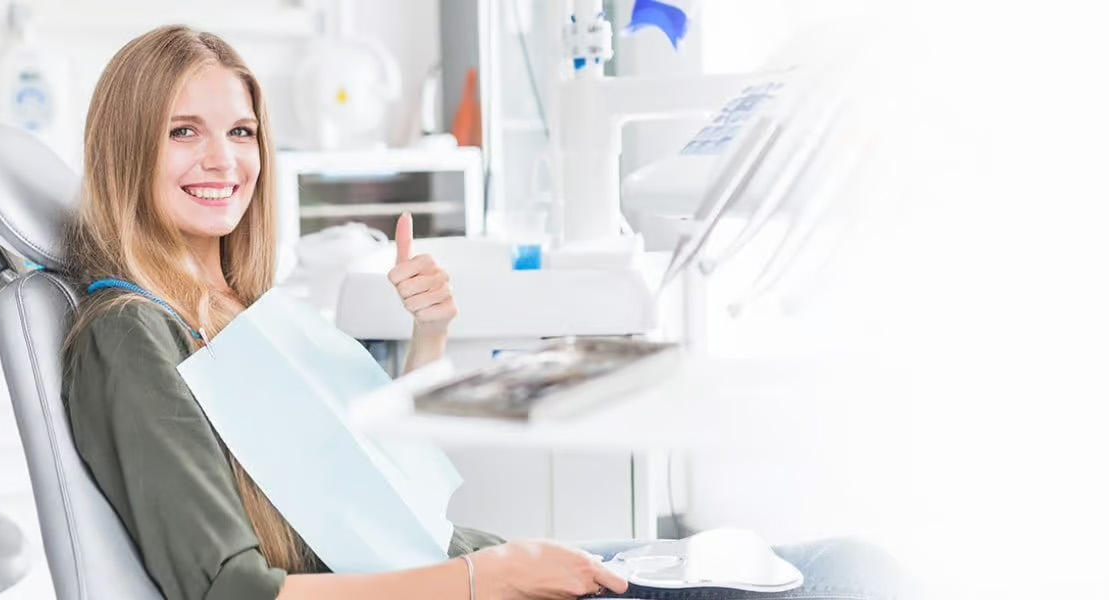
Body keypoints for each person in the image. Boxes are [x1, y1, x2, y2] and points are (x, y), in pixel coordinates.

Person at [58, 24, 903, 600]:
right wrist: (482, 579)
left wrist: (429, 339)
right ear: (127, 146)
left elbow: (358, 482)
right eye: (184, 132)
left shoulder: (237, 308)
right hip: (462, 581)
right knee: (856, 572)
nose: (223, 159)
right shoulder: (133, 333)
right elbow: (233, 590)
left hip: (466, 566)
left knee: (854, 561)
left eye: (242, 133)